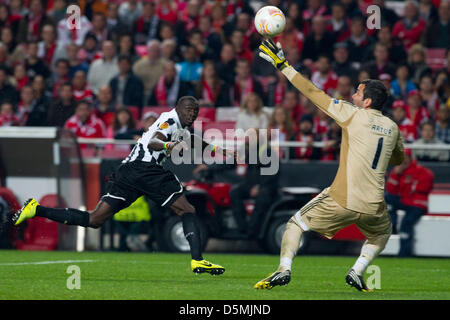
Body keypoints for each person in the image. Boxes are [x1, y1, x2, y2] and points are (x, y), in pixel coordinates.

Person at [12, 96, 236, 275]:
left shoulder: (180, 126)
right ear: (177, 107)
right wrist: (169, 144)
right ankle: (197, 261)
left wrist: (217, 151)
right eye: (188, 109)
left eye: (195, 111)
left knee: (95, 219)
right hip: (146, 170)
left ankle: (35, 209)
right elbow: (155, 140)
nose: (192, 114)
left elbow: (193, 140)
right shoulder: (169, 121)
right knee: (187, 209)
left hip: (127, 171)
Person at [254, 39, 405, 291]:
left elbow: (314, 94)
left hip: (343, 199)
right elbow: (398, 158)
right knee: (381, 234)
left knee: (295, 224)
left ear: (367, 102)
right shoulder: (392, 127)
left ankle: (283, 269)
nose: (353, 95)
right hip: (374, 205)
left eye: (357, 92)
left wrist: (284, 66)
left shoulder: (352, 114)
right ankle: (357, 271)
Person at [385, 149, 434, 256]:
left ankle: (405, 253)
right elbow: (391, 191)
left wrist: (412, 188)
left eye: (405, 157)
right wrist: (395, 175)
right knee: (386, 198)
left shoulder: (421, 171)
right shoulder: (398, 171)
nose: (403, 160)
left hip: (417, 204)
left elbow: (425, 187)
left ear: (410, 158)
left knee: (406, 223)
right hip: (406, 201)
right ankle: (392, 224)